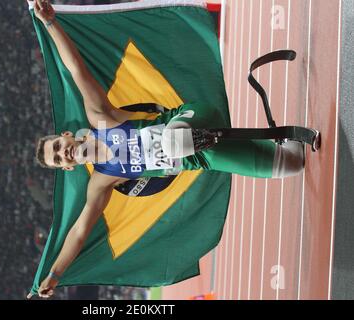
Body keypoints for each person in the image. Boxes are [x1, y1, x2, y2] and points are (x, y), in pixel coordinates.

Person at [30, 0, 308, 299]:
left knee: (174, 140)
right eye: (58, 159)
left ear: (67, 136)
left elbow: (75, 68)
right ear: (66, 168)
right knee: (290, 164)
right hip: (201, 156)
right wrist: (54, 275)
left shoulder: (100, 117)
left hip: (189, 119)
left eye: (58, 146)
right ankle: (281, 144)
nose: (63, 153)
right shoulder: (101, 182)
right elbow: (79, 232)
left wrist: (50, 23)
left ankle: (217, 138)